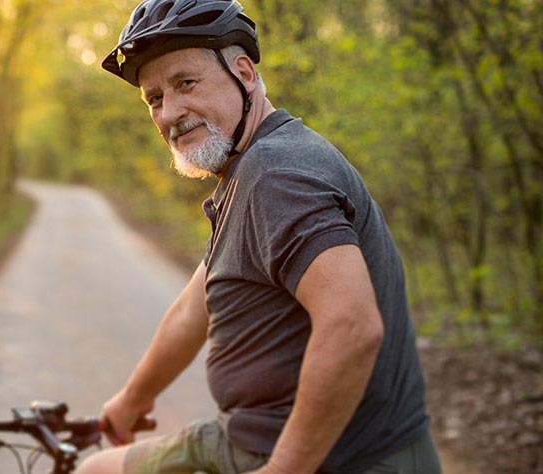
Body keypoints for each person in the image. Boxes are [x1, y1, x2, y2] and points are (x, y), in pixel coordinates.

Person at [74, 1, 440, 473]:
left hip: (328, 459)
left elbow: (352, 326)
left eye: (185, 83)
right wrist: (131, 400)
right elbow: (195, 307)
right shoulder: (254, 169)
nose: (170, 112)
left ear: (244, 73)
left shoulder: (275, 176)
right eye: (155, 98)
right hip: (261, 442)